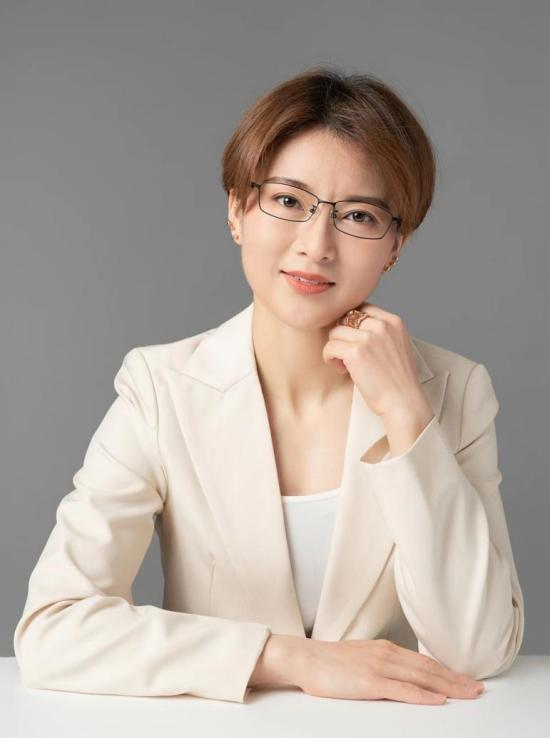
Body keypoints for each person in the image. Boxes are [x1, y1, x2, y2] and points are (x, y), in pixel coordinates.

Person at [13, 66, 524, 706]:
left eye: (358, 215)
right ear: (237, 209)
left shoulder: (456, 390)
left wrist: (406, 416)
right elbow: (54, 629)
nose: (317, 245)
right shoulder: (161, 389)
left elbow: (477, 650)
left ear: (396, 244)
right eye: (287, 201)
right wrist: (292, 658)